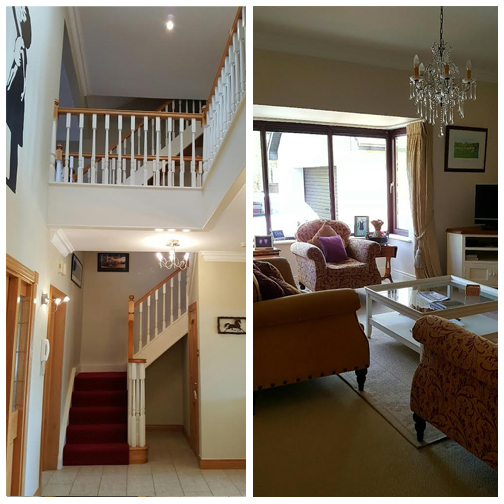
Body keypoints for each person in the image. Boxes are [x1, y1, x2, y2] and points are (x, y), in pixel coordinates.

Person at [6, 6, 32, 193]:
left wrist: (10, 87)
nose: (22, 15)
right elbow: (17, 68)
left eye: (24, 13)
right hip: (15, 95)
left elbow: (18, 68)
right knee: (12, 139)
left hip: (15, 96)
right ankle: (12, 179)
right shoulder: (20, 42)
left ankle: (12, 179)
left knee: (13, 139)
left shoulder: (20, 42)